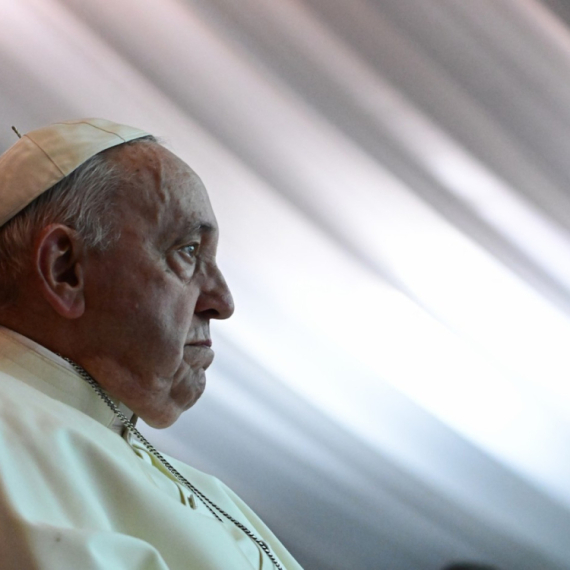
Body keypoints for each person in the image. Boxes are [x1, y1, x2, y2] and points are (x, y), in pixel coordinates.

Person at [0, 118, 302, 570]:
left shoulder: (193, 481)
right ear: (66, 270)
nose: (222, 302)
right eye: (188, 251)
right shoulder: (10, 436)